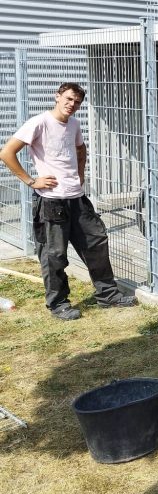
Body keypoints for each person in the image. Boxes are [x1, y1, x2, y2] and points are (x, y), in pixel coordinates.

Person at [0, 82, 136, 320]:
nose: (72, 105)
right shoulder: (39, 122)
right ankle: (58, 304)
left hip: (77, 199)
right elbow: (6, 152)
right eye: (69, 99)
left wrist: (80, 174)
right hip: (51, 201)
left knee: (96, 243)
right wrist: (32, 181)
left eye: (77, 102)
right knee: (54, 255)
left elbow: (81, 149)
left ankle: (108, 295)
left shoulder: (74, 124)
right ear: (58, 96)